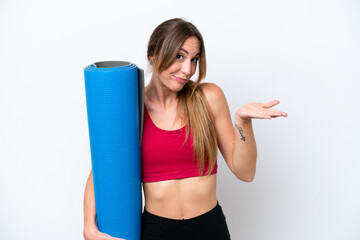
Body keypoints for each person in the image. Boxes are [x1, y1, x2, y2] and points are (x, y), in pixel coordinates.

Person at [83, 18, 288, 240]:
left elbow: (245, 173)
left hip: (209, 228)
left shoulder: (208, 98)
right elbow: (103, 171)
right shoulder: (131, 107)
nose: (188, 69)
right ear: (153, 53)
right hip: (156, 230)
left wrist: (243, 122)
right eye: (179, 56)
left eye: (194, 59)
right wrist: (89, 227)